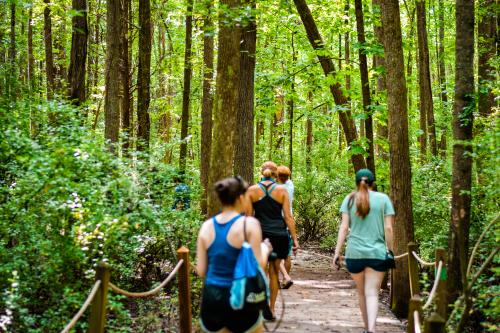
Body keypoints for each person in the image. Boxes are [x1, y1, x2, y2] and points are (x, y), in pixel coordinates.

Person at [197, 176, 272, 333]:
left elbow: (201, 270)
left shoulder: (206, 227)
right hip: (241, 297)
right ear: (240, 198)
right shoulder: (250, 224)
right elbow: (259, 264)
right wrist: (265, 249)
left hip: (212, 298)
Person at [333, 169, 395, 333]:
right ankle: (372, 330)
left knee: (362, 293)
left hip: (355, 254)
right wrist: (390, 250)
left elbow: (344, 228)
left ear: (356, 182)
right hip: (377, 253)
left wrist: (337, 252)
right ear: (373, 183)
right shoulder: (383, 199)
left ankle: (367, 328)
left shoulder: (349, 199)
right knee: (372, 293)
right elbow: (388, 228)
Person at [246, 161, 299, 320]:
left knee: (259, 272)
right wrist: (295, 239)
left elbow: (248, 217)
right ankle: (272, 309)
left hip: (260, 236)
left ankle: (259, 307)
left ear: (261, 172)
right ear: (275, 173)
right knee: (274, 273)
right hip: (279, 235)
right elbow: (288, 217)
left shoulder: (252, 191)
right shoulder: (282, 190)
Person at [276, 165, 294, 289]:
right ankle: (284, 279)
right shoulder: (290, 185)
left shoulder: (277, 188)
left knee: (275, 253)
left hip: (278, 222)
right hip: (288, 223)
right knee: (287, 254)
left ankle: (284, 277)